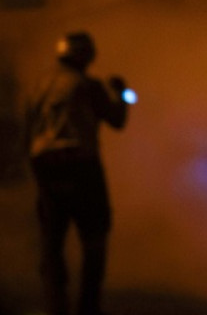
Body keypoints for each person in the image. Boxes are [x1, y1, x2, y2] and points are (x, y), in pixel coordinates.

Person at [22, 31, 131, 315]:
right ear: (85, 55)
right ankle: (88, 306)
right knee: (95, 236)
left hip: (44, 166)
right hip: (82, 166)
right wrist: (121, 95)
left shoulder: (37, 87)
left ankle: (55, 305)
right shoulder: (86, 85)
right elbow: (117, 120)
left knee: (52, 241)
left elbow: (26, 131)